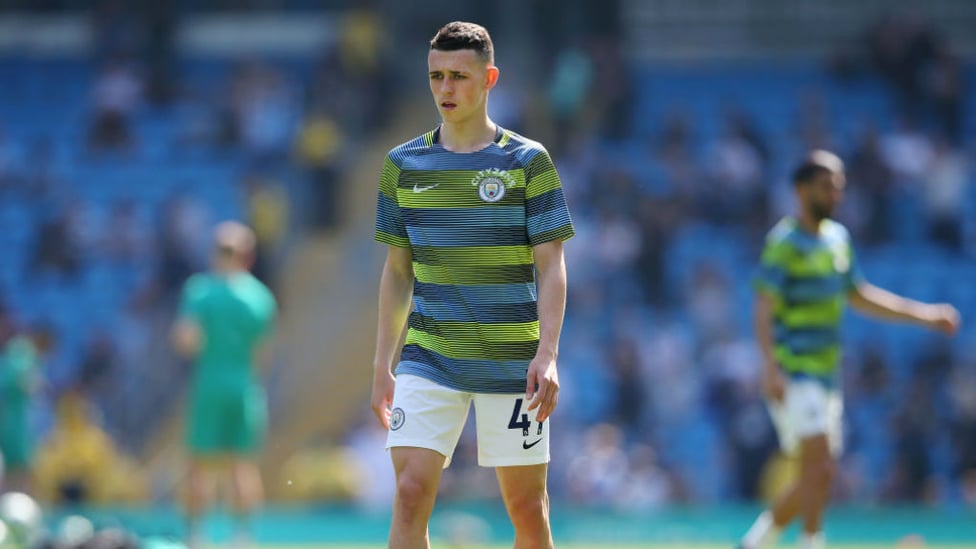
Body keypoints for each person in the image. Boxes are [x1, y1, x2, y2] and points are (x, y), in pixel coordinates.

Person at [370, 21, 574, 549]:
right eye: (436, 76)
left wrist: (547, 354)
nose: (445, 89)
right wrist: (381, 364)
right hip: (429, 354)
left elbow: (551, 265)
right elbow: (397, 271)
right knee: (411, 493)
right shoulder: (401, 164)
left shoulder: (528, 161)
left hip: (511, 359)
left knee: (527, 510)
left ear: (490, 79)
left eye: (458, 77)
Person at [737, 150, 960, 549]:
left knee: (818, 472)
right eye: (826, 186)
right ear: (800, 189)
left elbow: (860, 295)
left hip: (827, 374)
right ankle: (812, 541)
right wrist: (769, 365)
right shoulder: (783, 243)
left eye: (838, 187)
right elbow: (763, 306)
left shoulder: (838, 241)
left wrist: (925, 315)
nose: (835, 194)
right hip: (794, 370)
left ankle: (756, 542)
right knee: (818, 461)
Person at [170, 221, 277, 549]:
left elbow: (186, 340)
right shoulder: (260, 297)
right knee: (242, 465)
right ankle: (243, 537)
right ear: (248, 255)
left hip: (210, 383)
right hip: (245, 385)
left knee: (198, 464)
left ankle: (195, 535)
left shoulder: (200, 290)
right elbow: (263, 353)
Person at [0, 332, 40, 495]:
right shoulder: (13, 368)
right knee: (16, 472)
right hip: (11, 430)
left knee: (22, 472)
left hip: (18, 429)